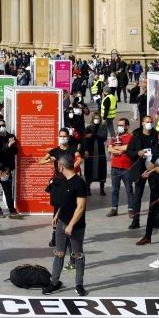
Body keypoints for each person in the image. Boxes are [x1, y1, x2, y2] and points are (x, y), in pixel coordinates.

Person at [43, 154, 88, 297]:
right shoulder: (63, 181)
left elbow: (80, 207)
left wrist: (71, 225)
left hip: (76, 226)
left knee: (77, 254)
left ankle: (79, 284)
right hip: (62, 223)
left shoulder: (79, 182)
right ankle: (54, 282)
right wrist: (57, 215)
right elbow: (65, 203)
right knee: (59, 253)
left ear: (62, 167)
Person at [39, 128, 82, 248]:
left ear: (68, 137)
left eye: (64, 136)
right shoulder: (55, 151)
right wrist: (50, 160)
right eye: (61, 136)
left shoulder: (73, 149)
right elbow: (40, 161)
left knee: (70, 208)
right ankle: (54, 236)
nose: (63, 138)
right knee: (56, 209)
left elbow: (79, 159)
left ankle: (71, 233)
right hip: (58, 183)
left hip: (69, 182)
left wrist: (71, 168)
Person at [127, 115, 159, 229]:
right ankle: (136, 221)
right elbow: (129, 152)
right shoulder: (136, 137)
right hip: (139, 170)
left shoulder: (156, 135)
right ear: (142, 123)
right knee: (138, 196)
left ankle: (156, 220)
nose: (149, 124)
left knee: (155, 195)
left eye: (151, 122)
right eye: (147, 122)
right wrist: (137, 153)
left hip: (153, 168)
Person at [106, 118, 135, 217]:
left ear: (127, 126)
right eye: (118, 125)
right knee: (114, 190)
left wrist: (117, 148)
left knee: (129, 189)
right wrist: (118, 149)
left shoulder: (131, 137)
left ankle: (131, 209)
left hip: (126, 167)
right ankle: (114, 208)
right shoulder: (114, 137)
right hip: (114, 167)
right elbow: (110, 148)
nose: (119, 127)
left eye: (121, 125)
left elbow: (127, 148)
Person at [82, 113, 107, 196]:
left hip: (100, 153)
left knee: (102, 170)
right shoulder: (88, 128)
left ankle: (102, 189)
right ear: (92, 119)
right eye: (95, 118)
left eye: (98, 118)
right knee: (89, 170)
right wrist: (85, 150)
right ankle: (88, 189)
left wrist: (93, 135)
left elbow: (104, 137)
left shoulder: (103, 127)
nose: (97, 120)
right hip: (90, 152)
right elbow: (85, 139)